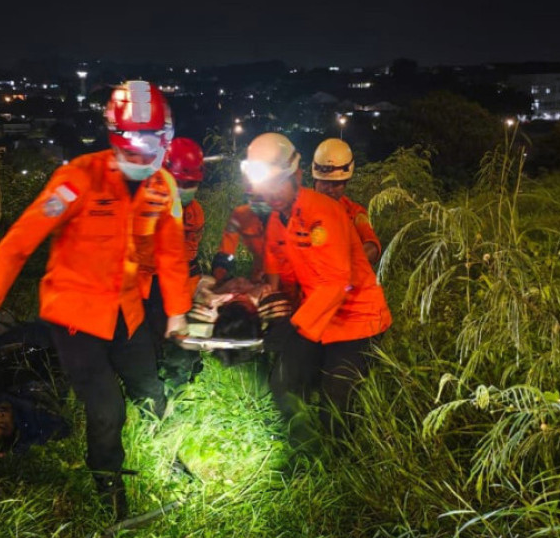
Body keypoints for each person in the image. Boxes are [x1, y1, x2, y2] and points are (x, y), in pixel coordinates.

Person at [0, 80, 192, 519]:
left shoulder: (160, 188)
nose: (144, 155)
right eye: (135, 144)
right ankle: (109, 491)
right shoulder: (76, 182)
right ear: (116, 138)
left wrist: (177, 311)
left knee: (151, 392)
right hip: (75, 316)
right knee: (107, 409)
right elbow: (18, 244)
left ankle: (168, 457)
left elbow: (170, 253)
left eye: (153, 143)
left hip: (127, 312)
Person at [241, 132, 392, 450]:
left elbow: (337, 282)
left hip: (354, 320)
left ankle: (340, 466)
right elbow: (276, 272)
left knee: (335, 404)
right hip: (319, 317)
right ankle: (304, 453)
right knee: (283, 384)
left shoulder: (327, 212)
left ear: (295, 175)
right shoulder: (278, 220)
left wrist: (297, 326)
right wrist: (255, 300)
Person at [140, 136, 205, 387]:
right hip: (144, 280)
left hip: (176, 280)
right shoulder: (146, 204)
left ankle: (182, 377)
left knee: (178, 332)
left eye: (191, 184)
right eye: (180, 182)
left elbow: (187, 255)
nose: (185, 189)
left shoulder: (194, 212)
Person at [311, 138, 382, 268]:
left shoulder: (354, 213)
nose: (329, 189)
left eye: (336, 184)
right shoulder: (299, 207)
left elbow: (372, 245)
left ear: (345, 183)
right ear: (316, 180)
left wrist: (347, 264)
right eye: (325, 183)